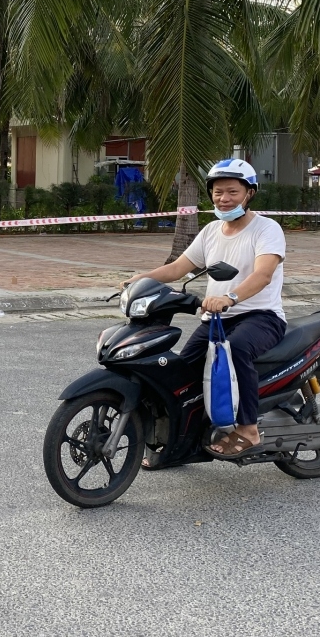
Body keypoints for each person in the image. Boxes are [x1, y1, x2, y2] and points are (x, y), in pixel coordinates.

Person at [122, 158, 286, 460]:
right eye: (218, 192)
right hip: (216, 320)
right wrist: (139, 279)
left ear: (249, 193)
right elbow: (178, 268)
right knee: (180, 372)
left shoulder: (267, 229)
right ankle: (186, 442)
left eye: (232, 192)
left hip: (260, 317)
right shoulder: (211, 231)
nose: (224, 199)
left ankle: (249, 429)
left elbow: (263, 275)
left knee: (236, 350)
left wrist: (231, 298)